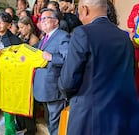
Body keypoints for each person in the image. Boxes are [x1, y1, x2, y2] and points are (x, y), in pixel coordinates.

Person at [58, 0, 139, 134]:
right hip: (121, 117)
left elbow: (67, 81)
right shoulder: (124, 37)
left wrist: (64, 90)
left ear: (85, 9)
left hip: (90, 119)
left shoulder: (82, 33)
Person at [33, 8, 70, 135]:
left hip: (54, 87)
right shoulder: (44, 38)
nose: (42, 21)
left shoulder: (62, 36)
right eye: (41, 19)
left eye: (45, 18)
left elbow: (69, 60)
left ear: (56, 22)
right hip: (43, 87)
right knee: (50, 119)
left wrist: (52, 57)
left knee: (55, 121)